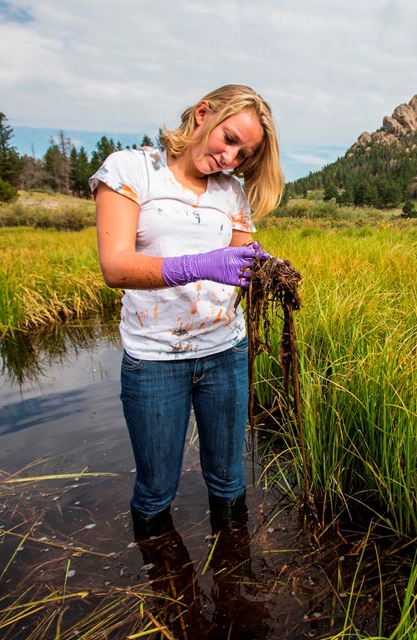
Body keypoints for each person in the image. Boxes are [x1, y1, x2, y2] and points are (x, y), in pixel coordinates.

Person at [90, 84, 284, 538]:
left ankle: (235, 580)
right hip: (155, 359)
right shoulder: (132, 170)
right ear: (202, 114)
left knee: (229, 480)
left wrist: (270, 270)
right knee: (157, 489)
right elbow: (115, 267)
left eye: (244, 155)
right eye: (230, 140)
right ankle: (166, 588)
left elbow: (244, 255)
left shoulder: (231, 193)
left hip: (225, 354)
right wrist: (199, 265)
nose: (231, 158)